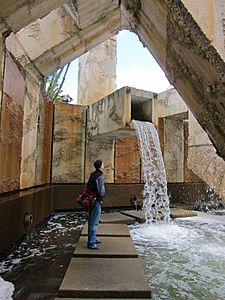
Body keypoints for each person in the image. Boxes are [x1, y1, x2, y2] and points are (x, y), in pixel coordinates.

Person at [86, 159, 105, 249]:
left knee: (91, 220)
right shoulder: (99, 176)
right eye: (103, 164)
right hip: (95, 200)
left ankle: (93, 238)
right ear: (100, 166)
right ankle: (91, 242)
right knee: (94, 221)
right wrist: (101, 198)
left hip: (90, 200)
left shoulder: (93, 174)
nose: (104, 165)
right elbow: (101, 191)